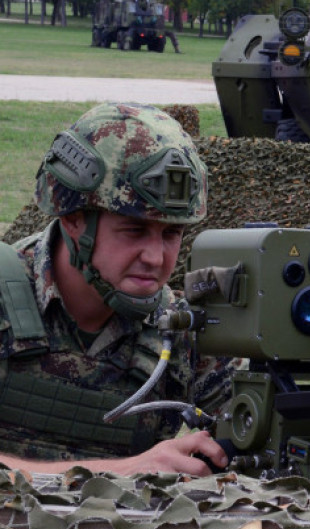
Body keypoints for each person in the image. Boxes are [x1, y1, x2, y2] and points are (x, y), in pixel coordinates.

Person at [0, 102, 234, 476]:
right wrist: (123, 472)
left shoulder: (180, 328)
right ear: (74, 220)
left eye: (172, 234)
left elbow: (261, 433)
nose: (156, 258)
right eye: (134, 230)